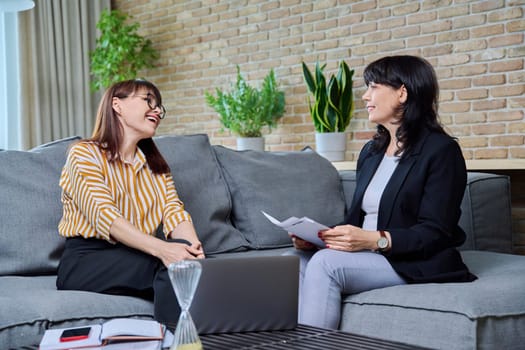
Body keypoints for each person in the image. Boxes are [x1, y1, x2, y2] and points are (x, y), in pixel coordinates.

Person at [290, 55, 477, 330]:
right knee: (292, 261)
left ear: (402, 92)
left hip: (411, 261)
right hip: (369, 253)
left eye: (374, 87)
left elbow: (436, 232)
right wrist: (323, 238)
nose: (365, 96)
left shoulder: (441, 151)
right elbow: (358, 219)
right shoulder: (371, 152)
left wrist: (373, 241)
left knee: (326, 265)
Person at [56, 79, 204, 327]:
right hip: (86, 259)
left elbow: (174, 212)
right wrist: (165, 250)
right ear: (117, 105)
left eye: (159, 107)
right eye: (148, 100)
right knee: (171, 267)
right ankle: (178, 340)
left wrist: (193, 249)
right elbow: (105, 216)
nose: (157, 110)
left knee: (188, 264)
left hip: (136, 254)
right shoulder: (84, 154)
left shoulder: (156, 166)